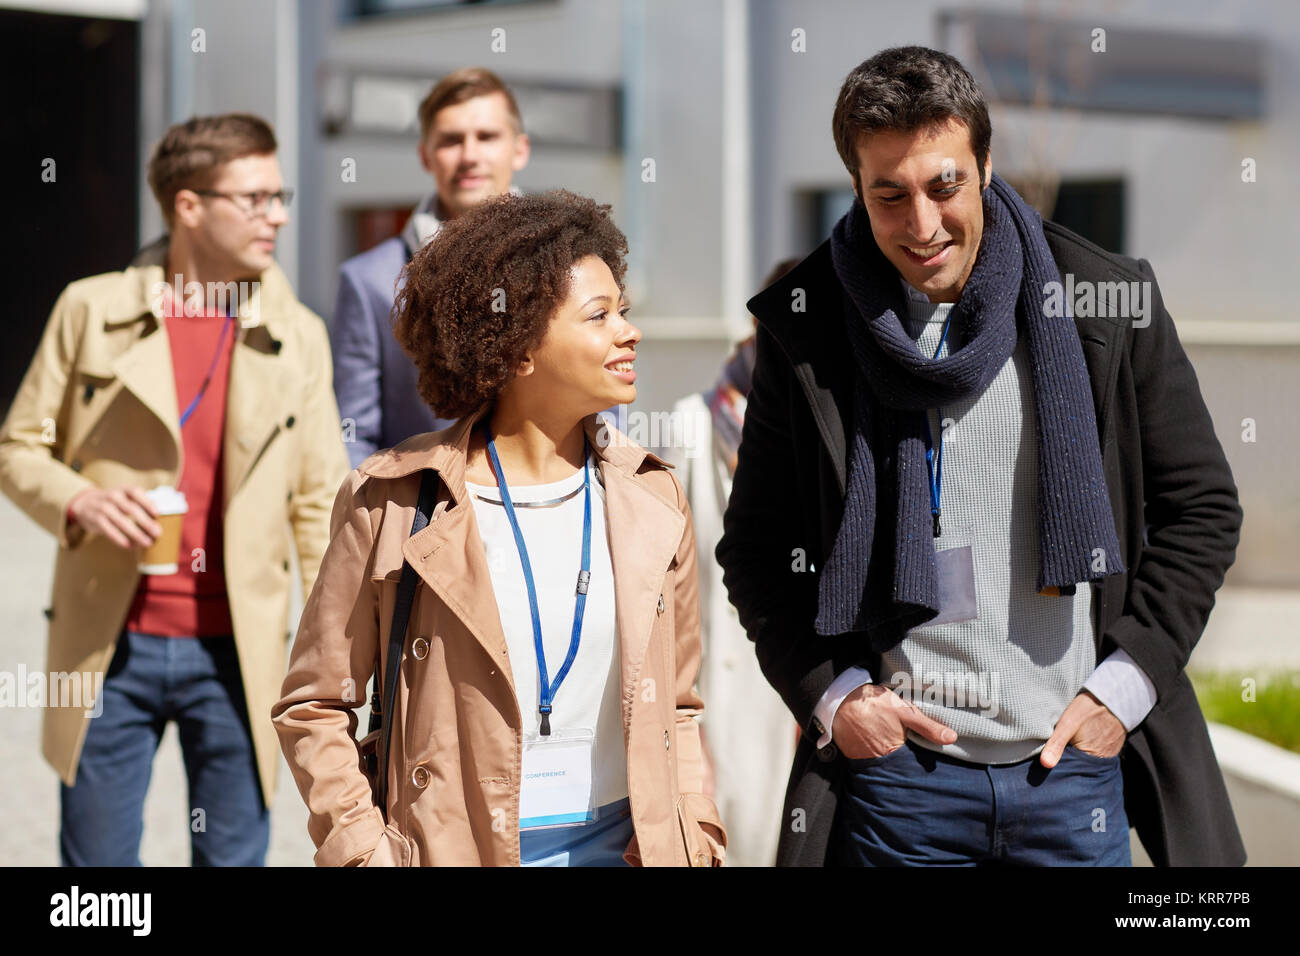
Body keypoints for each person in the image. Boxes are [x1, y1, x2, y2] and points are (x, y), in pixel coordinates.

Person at [715, 46, 1245, 867]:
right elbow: (756, 548)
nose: (922, 226)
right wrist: (839, 697)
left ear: (986, 166)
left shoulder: (1103, 300)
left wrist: (1123, 688)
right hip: (900, 786)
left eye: (944, 187)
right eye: (888, 195)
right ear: (856, 187)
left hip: (1070, 771)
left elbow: (1202, 510)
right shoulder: (807, 324)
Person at [273, 190, 726, 867]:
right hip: (454, 849)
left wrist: (696, 836)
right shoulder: (393, 501)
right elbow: (314, 704)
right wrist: (364, 852)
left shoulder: (653, 498)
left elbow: (679, 708)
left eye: (623, 312)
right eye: (598, 317)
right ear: (516, 350)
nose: (628, 332)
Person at [0, 113, 350, 865]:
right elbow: (18, 450)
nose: (279, 215)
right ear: (189, 205)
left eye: (279, 195)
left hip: (241, 654)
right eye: (254, 198)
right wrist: (78, 499)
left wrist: (336, 653)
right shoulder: (88, 310)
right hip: (108, 645)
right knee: (98, 880)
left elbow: (320, 504)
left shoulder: (299, 333)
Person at [663, 258, 799, 866]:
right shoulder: (692, 427)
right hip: (724, 693)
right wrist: (684, 727)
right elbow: (666, 590)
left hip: (812, 694)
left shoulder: (827, 423)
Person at [332, 66, 530, 467]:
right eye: (451, 141)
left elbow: (599, 403)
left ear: (519, 149)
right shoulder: (370, 281)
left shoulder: (572, 266)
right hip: (428, 519)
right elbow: (353, 438)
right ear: (425, 155)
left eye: (487, 137)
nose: (470, 155)